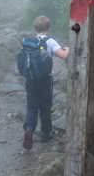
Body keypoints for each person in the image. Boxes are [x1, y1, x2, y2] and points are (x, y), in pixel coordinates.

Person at [23, 15, 68, 150]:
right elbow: (64, 55)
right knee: (46, 106)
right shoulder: (50, 42)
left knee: (32, 106)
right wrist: (68, 49)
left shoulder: (28, 41)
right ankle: (46, 133)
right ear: (48, 29)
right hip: (45, 79)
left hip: (30, 79)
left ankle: (29, 128)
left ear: (34, 28)